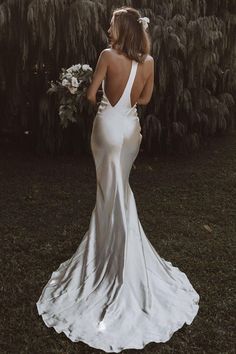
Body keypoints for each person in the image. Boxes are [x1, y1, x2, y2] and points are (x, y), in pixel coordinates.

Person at [36, 6, 200, 353]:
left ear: (121, 28)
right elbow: (144, 99)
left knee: (110, 194)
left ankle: (115, 263)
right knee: (118, 189)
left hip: (109, 127)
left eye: (111, 24)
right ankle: (119, 251)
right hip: (131, 130)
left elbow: (92, 94)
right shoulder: (150, 62)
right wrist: (126, 103)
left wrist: (83, 90)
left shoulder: (107, 56)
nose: (107, 29)